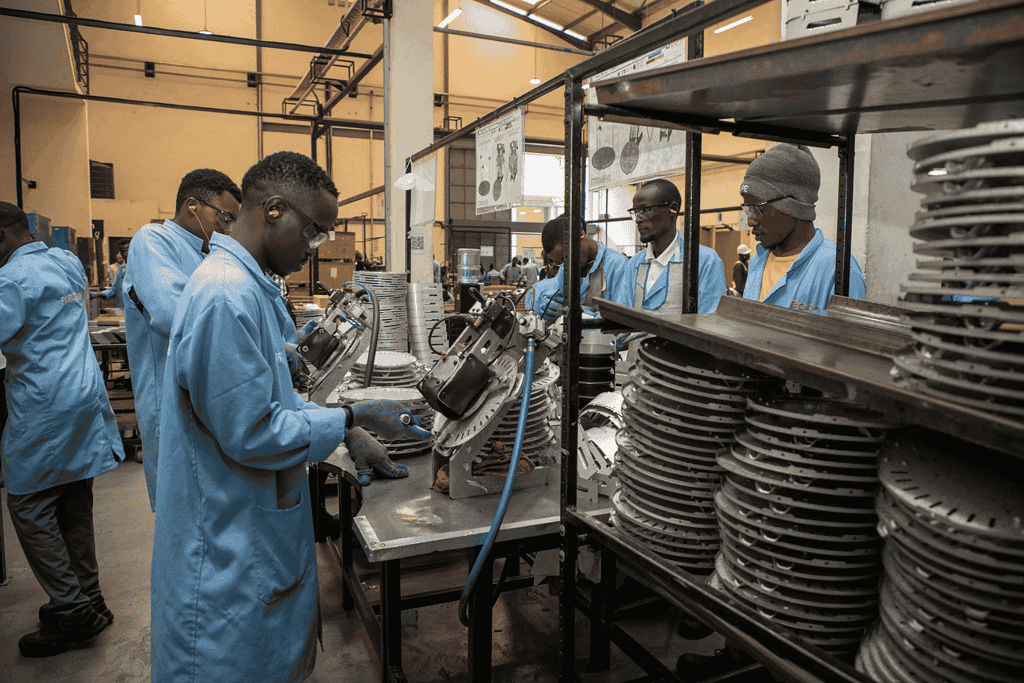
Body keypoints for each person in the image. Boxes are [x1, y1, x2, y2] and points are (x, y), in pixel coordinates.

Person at [150, 151, 429, 683]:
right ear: (274, 209)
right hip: (226, 552)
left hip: (250, 524)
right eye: (315, 231)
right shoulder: (225, 296)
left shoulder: (247, 285)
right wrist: (349, 414)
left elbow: (270, 401)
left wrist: (348, 432)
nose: (316, 248)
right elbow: (252, 431)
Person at [0, 201, 125, 658]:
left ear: (4, 239)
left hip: (45, 402)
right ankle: (90, 599)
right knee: (73, 497)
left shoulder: (11, 281)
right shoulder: (66, 261)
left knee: (28, 504)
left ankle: (72, 611)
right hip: (82, 394)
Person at [123, 168, 241, 511]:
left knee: (210, 513)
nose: (227, 227)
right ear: (192, 205)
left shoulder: (209, 255)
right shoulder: (153, 241)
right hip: (170, 404)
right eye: (224, 216)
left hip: (208, 402)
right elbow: (172, 314)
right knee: (182, 515)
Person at [740, 144, 865, 312]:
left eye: (759, 210)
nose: (751, 221)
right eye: (748, 209)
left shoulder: (837, 270)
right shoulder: (758, 260)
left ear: (793, 205)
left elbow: (851, 337)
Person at [628, 179, 727, 317]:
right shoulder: (635, 263)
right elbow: (623, 318)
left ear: (672, 209)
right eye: (635, 212)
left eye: (645, 210)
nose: (638, 219)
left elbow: (711, 322)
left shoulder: (704, 260)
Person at [539, 214, 633, 324]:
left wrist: (575, 315)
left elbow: (620, 317)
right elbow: (555, 297)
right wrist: (549, 307)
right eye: (561, 261)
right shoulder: (567, 267)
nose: (568, 264)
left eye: (567, 256)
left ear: (581, 234)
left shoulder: (618, 265)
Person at [94, 239, 130, 308]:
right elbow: (114, 290)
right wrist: (95, 294)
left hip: (136, 312)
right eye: (123, 251)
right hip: (121, 308)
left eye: (127, 251)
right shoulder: (120, 269)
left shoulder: (140, 268)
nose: (125, 254)